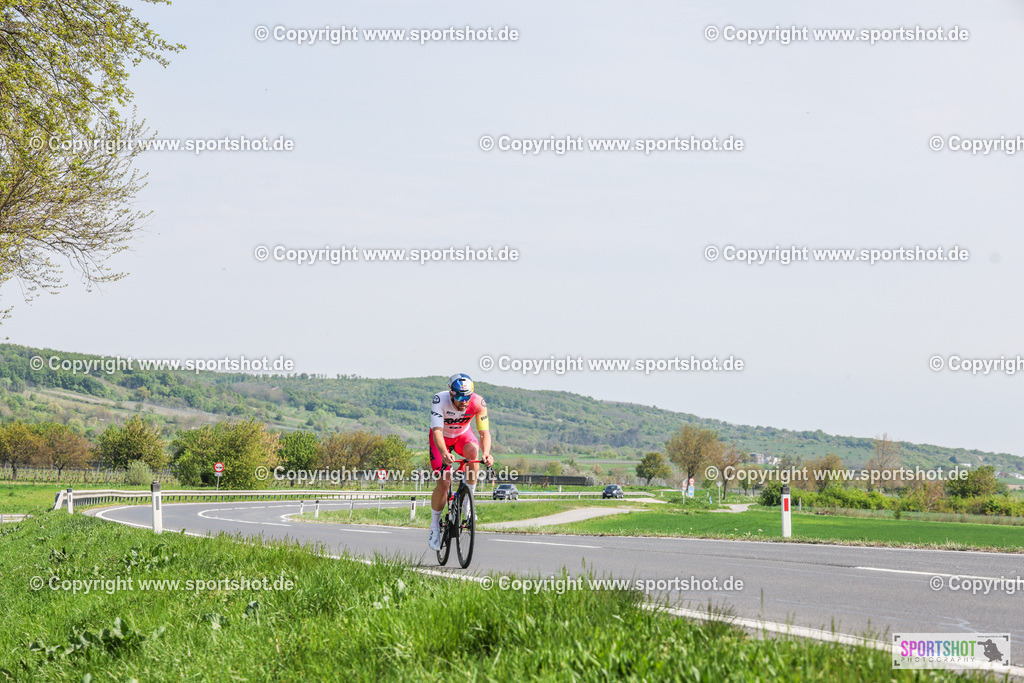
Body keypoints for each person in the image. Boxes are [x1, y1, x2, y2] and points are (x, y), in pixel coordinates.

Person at [427, 373, 493, 550]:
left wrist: (487, 454)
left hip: (462, 436)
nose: (464, 402)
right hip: (441, 440)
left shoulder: (478, 402)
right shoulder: (440, 400)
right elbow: (437, 431)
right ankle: (434, 527)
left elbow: (484, 433)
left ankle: (467, 503)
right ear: (451, 393)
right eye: (460, 397)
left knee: (473, 453)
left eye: (467, 397)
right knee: (444, 483)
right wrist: (444, 453)